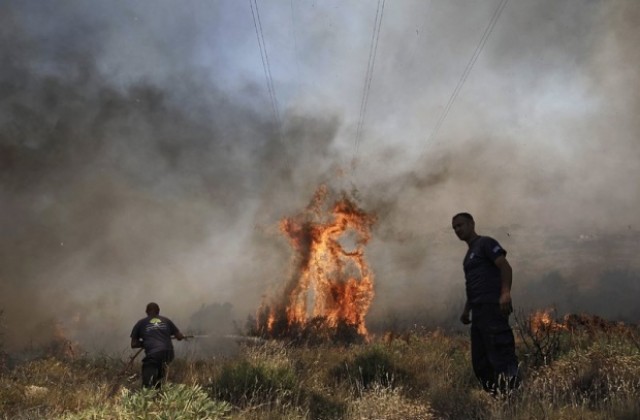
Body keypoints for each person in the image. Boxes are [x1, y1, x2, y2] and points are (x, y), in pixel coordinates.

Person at [452, 212, 519, 394]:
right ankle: (499, 399)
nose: (458, 230)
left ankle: (514, 398)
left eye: (461, 225)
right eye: (455, 227)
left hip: (493, 308)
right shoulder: (468, 257)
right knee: (480, 363)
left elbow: (505, 267)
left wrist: (505, 293)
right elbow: (473, 286)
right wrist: (467, 310)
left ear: (472, 224)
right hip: (478, 314)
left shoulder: (486, 244)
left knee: (501, 356)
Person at [130, 302, 185, 389]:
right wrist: (180, 336)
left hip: (154, 353)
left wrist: (145, 343)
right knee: (160, 371)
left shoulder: (141, 323)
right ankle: (158, 392)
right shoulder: (166, 320)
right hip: (168, 352)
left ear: (146, 311)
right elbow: (179, 336)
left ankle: (148, 394)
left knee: (148, 378)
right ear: (158, 311)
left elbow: (133, 344)